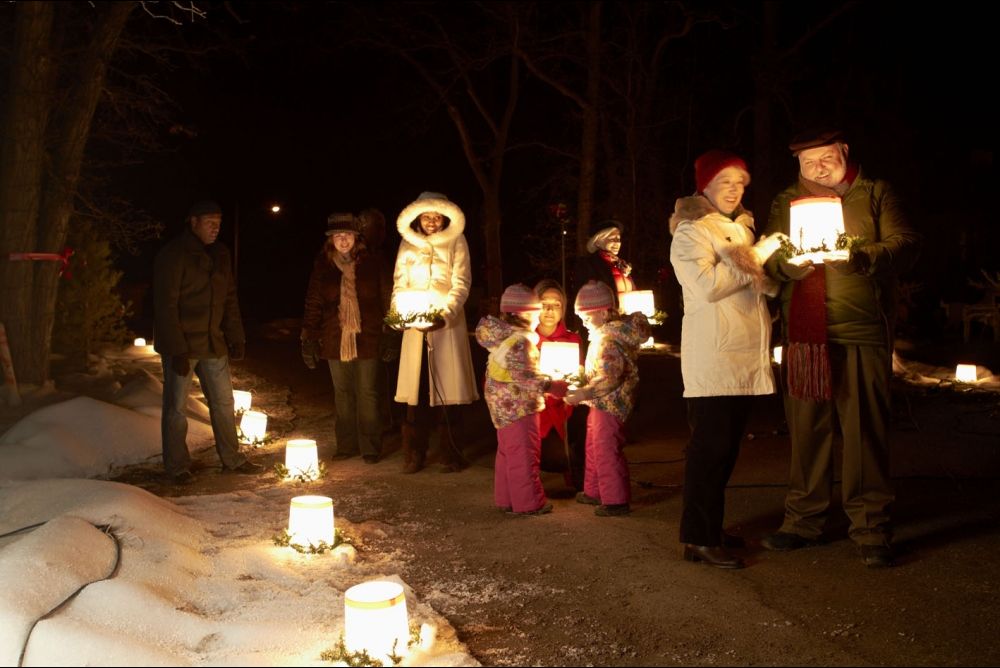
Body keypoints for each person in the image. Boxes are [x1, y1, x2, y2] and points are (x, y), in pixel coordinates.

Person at [762, 129, 921, 568]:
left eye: (827, 157)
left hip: (862, 329)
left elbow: (904, 245)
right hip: (805, 336)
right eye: (810, 162)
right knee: (807, 429)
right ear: (799, 165)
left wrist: (860, 257)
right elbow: (771, 257)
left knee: (863, 429)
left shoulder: (874, 194)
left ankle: (870, 525)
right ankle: (803, 521)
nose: (819, 167)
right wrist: (788, 266)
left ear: (844, 153)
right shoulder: (786, 201)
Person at [669, 150, 786, 569]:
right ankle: (698, 537)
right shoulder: (691, 232)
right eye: (725, 182)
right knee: (709, 450)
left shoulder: (741, 228)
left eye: (740, 182)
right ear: (705, 187)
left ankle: (709, 530)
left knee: (726, 450)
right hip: (714, 359)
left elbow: (747, 283)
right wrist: (759, 255)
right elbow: (705, 286)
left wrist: (779, 281)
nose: (735, 189)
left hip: (744, 354)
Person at [153, 200, 262, 484]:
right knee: (176, 408)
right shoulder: (174, 255)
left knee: (224, 402)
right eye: (210, 222)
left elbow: (229, 299)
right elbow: (166, 305)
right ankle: (177, 466)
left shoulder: (220, 254)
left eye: (219, 223)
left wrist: (236, 336)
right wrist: (176, 350)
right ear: (193, 222)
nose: (216, 228)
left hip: (213, 342)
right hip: (183, 345)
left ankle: (232, 458)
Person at [391, 191, 480, 473]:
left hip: (446, 328)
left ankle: (450, 452)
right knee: (416, 392)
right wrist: (399, 316)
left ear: (443, 219)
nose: (431, 222)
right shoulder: (407, 245)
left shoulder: (456, 241)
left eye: (436, 217)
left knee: (447, 389)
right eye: (426, 217)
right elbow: (399, 284)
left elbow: (462, 282)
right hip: (415, 329)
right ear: (419, 218)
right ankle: (414, 452)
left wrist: (445, 314)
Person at [301, 213, 387, 463]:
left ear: (356, 238)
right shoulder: (323, 267)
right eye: (337, 236)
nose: (343, 240)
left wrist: (391, 332)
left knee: (368, 392)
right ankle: (347, 445)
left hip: (368, 337)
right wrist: (309, 336)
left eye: (347, 235)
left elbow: (386, 297)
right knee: (343, 394)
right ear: (331, 240)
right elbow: (314, 302)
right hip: (334, 338)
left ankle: (370, 446)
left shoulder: (373, 264)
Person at [476, 284, 568, 515]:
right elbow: (526, 377)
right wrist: (552, 386)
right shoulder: (519, 343)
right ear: (524, 313)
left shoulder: (503, 339)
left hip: (502, 409)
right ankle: (529, 503)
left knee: (507, 454)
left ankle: (506, 499)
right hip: (519, 407)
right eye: (536, 311)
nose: (540, 316)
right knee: (524, 455)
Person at [565, 281, 650, 516]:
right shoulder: (605, 334)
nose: (583, 322)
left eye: (586, 316)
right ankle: (594, 491)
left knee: (605, 448)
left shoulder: (609, 339)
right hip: (601, 401)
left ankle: (616, 500)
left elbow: (609, 376)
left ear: (603, 312)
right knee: (593, 444)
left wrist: (586, 391)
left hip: (611, 402)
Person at [533, 279, 586, 490]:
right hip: (536, 408)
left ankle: (578, 472)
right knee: (552, 456)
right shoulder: (525, 340)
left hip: (565, 407)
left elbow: (579, 373)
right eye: (544, 303)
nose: (549, 310)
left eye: (556, 304)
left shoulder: (571, 340)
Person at [572, 220, 635, 312]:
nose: (617, 243)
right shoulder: (589, 265)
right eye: (612, 239)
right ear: (597, 241)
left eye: (618, 239)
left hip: (626, 317)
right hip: (605, 318)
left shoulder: (621, 265)